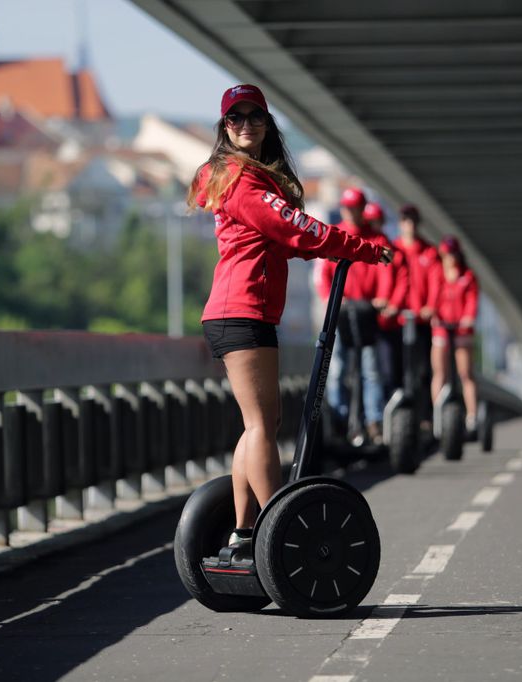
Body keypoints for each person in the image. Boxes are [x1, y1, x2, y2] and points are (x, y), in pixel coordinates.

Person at [188, 84, 392, 548]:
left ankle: (244, 531)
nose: (246, 124)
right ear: (225, 127)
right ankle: (278, 531)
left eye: (254, 116)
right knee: (262, 425)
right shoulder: (241, 179)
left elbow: (279, 241)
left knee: (258, 424)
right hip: (241, 309)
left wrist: (324, 250)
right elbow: (293, 227)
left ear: (267, 124)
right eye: (236, 118)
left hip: (238, 311)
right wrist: (358, 247)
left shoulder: (242, 178)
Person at [316, 188, 394, 445]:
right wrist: (328, 297)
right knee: (337, 368)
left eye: (354, 207)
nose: (349, 211)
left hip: (367, 312)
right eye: (346, 207)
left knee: (370, 369)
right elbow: (324, 273)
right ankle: (340, 420)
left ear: (362, 209)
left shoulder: (377, 238)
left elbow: (387, 271)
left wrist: (383, 298)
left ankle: (373, 421)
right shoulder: (336, 234)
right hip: (341, 311)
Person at [421, 235, 479, 433]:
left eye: (452, 254)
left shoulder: (467, 276)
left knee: (465, 373)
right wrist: (431, 311)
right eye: (446, 255)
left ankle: (472, 417)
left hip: (461, 330)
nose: (450, 258)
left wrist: (468, 317)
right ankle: (438, 414)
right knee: (439, 372)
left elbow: (471, 301)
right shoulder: (437, 274)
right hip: (442, 328)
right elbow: (433, 296)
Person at [393, 204, 438, 427]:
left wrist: (430, 306)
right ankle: (399, 415)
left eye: (412, 221)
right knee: (397, 369)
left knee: (422, 371)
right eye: (405, 220)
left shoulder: (428, 252)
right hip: (398, 322)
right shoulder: (394, 249)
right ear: (400, 223)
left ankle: (424, 417)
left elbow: (436, 282)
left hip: (420, 322)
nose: (409, 225)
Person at [362, 201, 409, 397]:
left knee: (390, 369)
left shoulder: (390, 250)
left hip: (388, 321)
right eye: (370, 222)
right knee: (367, 370)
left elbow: (402, 281)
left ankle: (391, 406)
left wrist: (393, 305)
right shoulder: (363, 247)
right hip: (366, 318)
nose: (374, 226)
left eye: (377, 221)